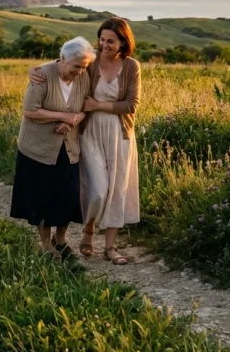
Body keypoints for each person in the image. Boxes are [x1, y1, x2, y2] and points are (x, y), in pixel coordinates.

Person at [30, 18, 141, 265]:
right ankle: (89, 231)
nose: (104, 45)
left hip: (120, 135)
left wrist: (99, 105)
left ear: (123, 42)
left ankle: (111, 248)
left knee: (117, 191)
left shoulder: (131, 66)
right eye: (101, 39)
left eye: (110, 41)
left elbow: (132, 104)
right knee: (98, 190)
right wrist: (34, 69)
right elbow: (63, 62)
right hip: (89, 131)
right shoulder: (91, 63)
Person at [11, 36, 96, 258]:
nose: (80, 71)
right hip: (38, 148)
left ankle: (61, 238)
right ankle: (45, 243)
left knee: (69, 196)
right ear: (62, 59)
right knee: (43, 198)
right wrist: (63, 116)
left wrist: (74, 119)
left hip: (69, 147)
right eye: (76, 66)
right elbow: (30, 111)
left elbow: (85, 108)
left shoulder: (83, 77)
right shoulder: (42, 75)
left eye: (84, 66)